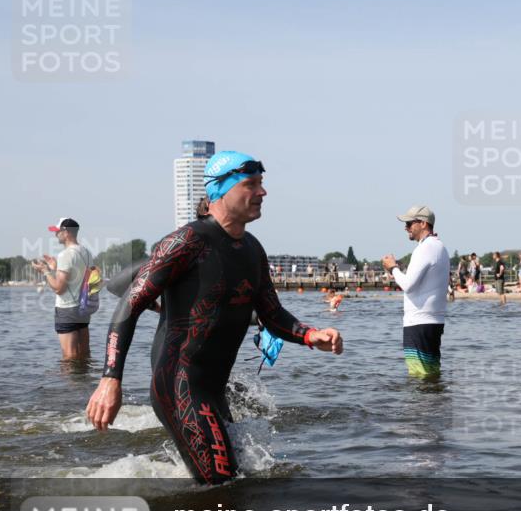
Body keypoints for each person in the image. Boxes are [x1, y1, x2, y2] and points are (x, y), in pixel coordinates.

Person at [84, 151, 343, 485]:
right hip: (181, 388)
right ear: (219, 191)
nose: (262, 193)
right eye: (251, 184)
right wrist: (110, 379)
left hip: (213, 390)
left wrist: (310, 335)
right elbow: (128, 306)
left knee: (233, 483)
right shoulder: (185, 242)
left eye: (262, 184)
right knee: (224, 489)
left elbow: (272, 312)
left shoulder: (252, 249)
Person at [382, 206, 450, 378]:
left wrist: (393, 268)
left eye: (409, 223)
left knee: (419, 375)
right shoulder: (440, 247)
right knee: (431, 373)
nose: (406, 228)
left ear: (423, 224)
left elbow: (408, 284)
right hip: (433, 321)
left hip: (419, 322)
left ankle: (423, 405)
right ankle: (436, 404)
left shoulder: (425, 248)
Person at [32, 218, 96, 360]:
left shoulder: (65, 255)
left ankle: (70, 383)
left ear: (66, 232)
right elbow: (78, 279)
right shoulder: (86, 252)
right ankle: (85, 381)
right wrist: (55, 269)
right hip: (83, 308)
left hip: (67, 310)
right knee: (84, 355)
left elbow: (59, 288)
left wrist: (45, 271)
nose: (56, 235)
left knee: (69, 358)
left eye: (58, 232)